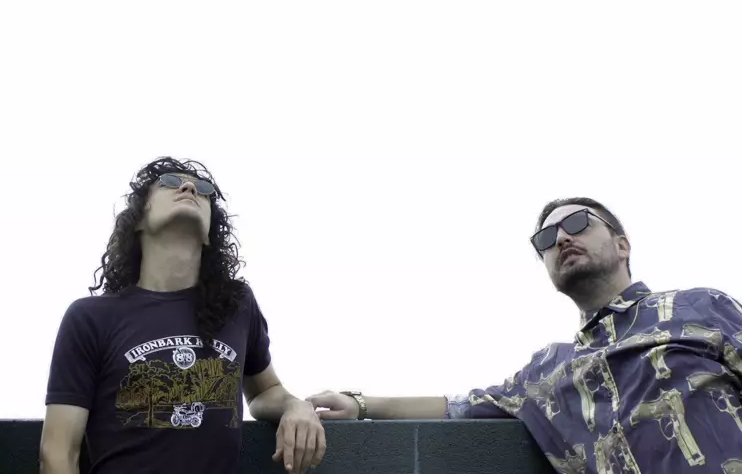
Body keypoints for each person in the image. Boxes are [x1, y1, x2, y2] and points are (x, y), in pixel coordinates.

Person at [308, 197, 742, 473]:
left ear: (622, 245)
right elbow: (459, 406)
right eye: (547, 238)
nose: (562, 239)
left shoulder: (701, 307)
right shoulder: (547, 375)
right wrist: (360, 404)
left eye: (577, 223)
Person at [40, 157, 325, 474]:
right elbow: (58, 453)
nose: (189, 187)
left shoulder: (236, 304)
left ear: (208, 234)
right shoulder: (90, 317)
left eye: (203, 189)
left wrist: (295, 406)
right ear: (138, 219)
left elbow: (264, 391)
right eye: (170, 183)